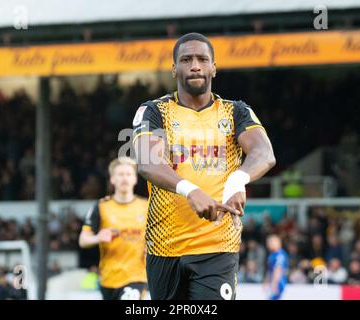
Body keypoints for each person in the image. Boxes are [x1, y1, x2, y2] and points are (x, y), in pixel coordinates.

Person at [132, 32, 275, 300]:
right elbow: (148, 162)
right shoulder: (154, 111)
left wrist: (237, 180)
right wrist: (190, 190)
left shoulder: (236, 112)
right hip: (165, 248)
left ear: (213, 67)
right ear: (175, 69)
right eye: (186, 60)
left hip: (218, 246)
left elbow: (264, 153)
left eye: (202, 59)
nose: (195, 65)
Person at [78, 157, 148, 300]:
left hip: (137, 277)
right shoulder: (101, 207)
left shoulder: (146, 207)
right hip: (108, 279)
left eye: (128, 174)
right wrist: (98, 237)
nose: (124, 178)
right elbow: (83, 240)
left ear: (135, 179)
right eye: (120, 174)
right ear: (112, 179)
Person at [264, 235, 288, 300]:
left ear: (278, 242)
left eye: (271, 242)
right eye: (268, 242)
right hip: (273, 282)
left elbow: (278, 269)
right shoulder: (271, 255)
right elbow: (270, 270)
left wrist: (275, 284)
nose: (269, 244)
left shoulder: (280, 254)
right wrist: (266, 282)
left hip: (279, 283)